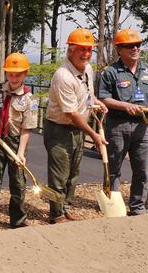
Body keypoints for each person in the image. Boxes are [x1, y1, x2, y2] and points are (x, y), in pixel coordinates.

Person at [43, 28, 108, 224]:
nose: (86, 54)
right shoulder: (63, 76)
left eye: (89, 49)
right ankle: (56, 213)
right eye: (81, 49)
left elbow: (87, 94)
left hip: (77, 129)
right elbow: (71, 114)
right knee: (59, 175)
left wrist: (96, 101)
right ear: (70, 50)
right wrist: (94, 136)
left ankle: (66, 206)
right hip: (59, 129)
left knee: (73, 173)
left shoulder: (87, 69)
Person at [98, 29, 148, 215]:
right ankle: (114, 205)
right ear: (119, 49)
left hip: (143, 126)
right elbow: (103, 98)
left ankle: (138, 207)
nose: (135, 48)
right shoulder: (110, 72)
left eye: (138, 45)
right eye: (129, 46)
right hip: (117, 126)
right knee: (114, 167)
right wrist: (124, 106)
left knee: (143, 169)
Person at [0, 53, 37, 231]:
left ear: (25, 74)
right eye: (10, 74)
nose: (14, 78)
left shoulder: (29, 99)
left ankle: (17, 218)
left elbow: (27, 129)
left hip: (16, 143)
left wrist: (20, 153)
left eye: (18, 74)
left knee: (18, 183)